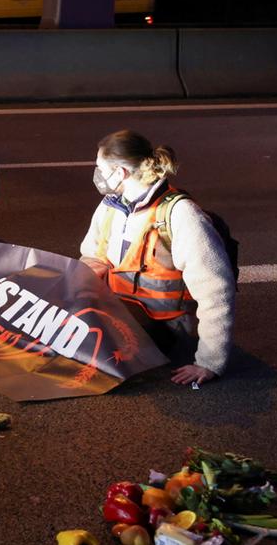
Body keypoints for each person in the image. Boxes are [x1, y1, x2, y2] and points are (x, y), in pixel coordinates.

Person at [79, 130, 234, 386]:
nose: (96, 174)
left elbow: (216, 291)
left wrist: (209, 363)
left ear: (120, 173)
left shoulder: (181, 215)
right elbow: (91, 254)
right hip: (121, 308)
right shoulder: (111, 205)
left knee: (87, 350)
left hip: (162, 324)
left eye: (99, 167)